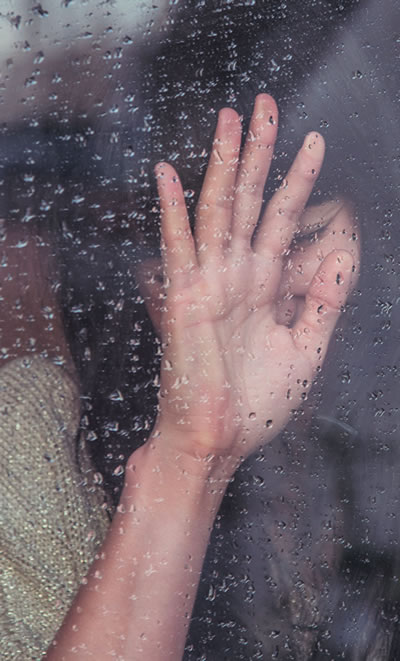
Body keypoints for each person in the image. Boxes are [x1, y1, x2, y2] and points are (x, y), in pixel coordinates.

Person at [0, 92, 359, 659]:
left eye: (306, 237)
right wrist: (194, 455)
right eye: (275, 241)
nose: (277, 279)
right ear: (158, 279)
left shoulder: (340, 465)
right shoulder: (40, 444)